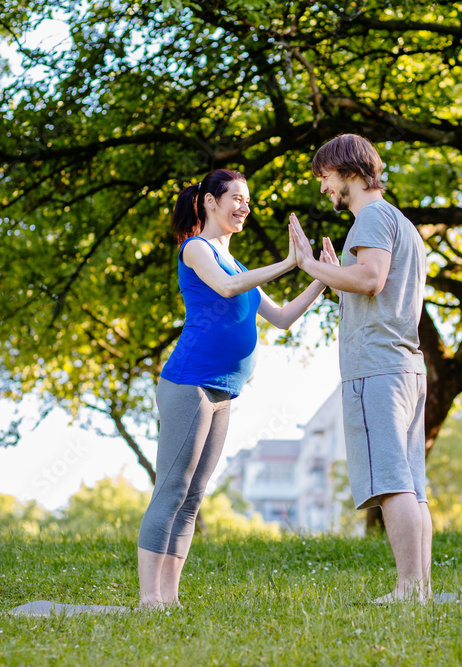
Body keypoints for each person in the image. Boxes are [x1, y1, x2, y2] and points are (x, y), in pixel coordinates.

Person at [137, 168, 336, 610]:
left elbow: (282, 317)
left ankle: (168, 599)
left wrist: (322, 277)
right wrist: (289, 262)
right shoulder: (196, 249)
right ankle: (149, 597)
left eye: (248, 200)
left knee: (192, 498)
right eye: (237, 198)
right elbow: (226, 289)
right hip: (189, 383)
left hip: (225, 391)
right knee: (172, 488)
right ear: (210, 201)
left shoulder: (239, 263)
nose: (245, 206)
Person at [289, 134, 431, 604]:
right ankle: (420, 590)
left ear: (347, 170)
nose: (323, 188)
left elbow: (370, 280)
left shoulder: (370, 217)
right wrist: (334, 276)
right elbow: (372, 287)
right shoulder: (401, 223)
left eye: (324, 177)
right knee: (411, 486)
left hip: (377, 369)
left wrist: (310, 266)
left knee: (391, 483)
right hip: (405, 367)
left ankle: (410, 590)